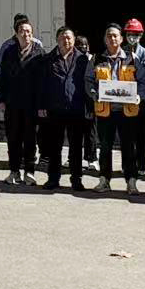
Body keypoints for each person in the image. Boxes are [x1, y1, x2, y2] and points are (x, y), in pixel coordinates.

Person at [36, 26, 92, 191]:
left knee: (76, 147)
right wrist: (41, 105)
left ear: (74, 40)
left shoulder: (83, 59)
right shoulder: (48, 59)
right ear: (57, 40)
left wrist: (89, 107)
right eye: (62, 37)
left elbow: (88, 84)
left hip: (76, 108)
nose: (66, 40)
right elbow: (42, 84)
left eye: (69, 37)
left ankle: (76, 179)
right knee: (54, 146)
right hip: (55, 108)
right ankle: (53, 179)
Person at [89, 24, 142, 193]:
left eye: (115, 36)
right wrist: (94, 93)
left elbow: (142, 80)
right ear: (105, 39)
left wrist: (139, 95)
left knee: (129, 147)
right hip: (105, 111)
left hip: (127, 111)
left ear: (121, 39)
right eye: (109, 36)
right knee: (105, 147)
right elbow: (88, 80)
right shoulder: (96, 58)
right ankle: (104, 180)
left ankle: (131, 181)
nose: (112, 38)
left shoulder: (132, 58)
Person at [0, 17, 44, 185]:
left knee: (30, 139)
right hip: (12, 103)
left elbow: (43, 81)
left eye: (29, 32)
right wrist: (1, 99)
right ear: (16, 34)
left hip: (31, 105)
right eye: (22, 31)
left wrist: (42, 104)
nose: (26, 34)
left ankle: (29, 172)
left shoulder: (39, 53)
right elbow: (2, 78)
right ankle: (14, 171)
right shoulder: (9, 52)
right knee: (13, 139)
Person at [122, 18, 145, 188]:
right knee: (125, 134)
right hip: (123, 97)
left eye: (135, 34)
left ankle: (140, 166)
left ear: (141, 35)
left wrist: (135, 62)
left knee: (139, 134)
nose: (132, 37)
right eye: (129, 34)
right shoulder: (121, 51)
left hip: (140, 99)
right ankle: (126, 165)